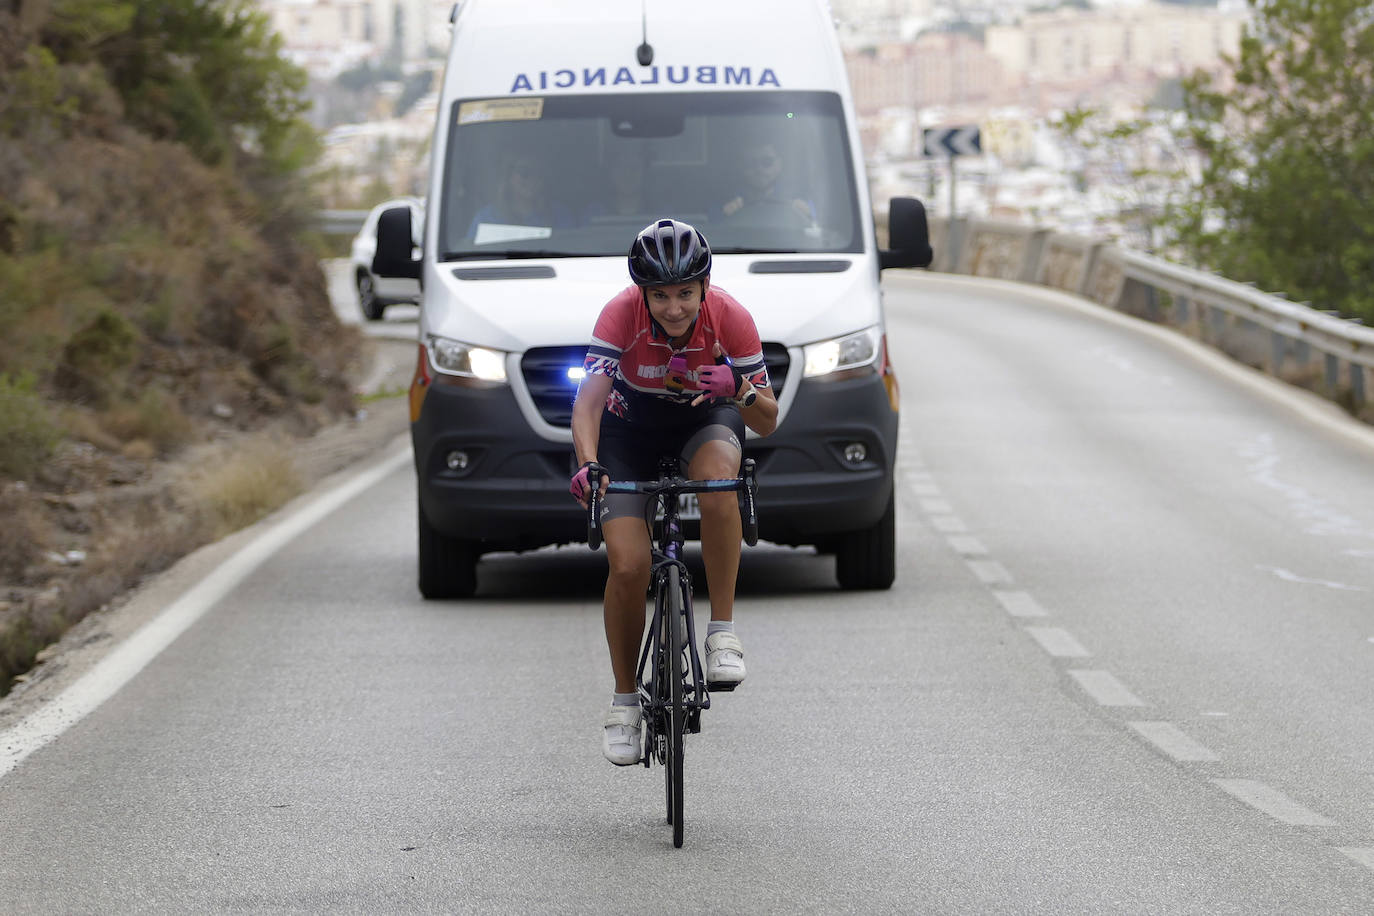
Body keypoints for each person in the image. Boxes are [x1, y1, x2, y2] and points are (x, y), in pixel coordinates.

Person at [569, 218, 778, 766]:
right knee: (630, 564)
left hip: (703, 420)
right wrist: (589, 465)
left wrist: (741, 388)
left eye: (685, 293)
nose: (675, 307)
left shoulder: (729, 317)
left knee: (718, 484)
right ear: (643, 292)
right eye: (660, 295)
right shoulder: (620, 314)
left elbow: (769, 421)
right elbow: (588, 403)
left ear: (704, 287)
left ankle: (722, 633)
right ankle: (623, 702)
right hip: (625, 432)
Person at [467, 152, 574, 239]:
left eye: (539, 172)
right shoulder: (486, 218)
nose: (533, 178)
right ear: (508, 176)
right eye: (524, 172)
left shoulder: (560, 215)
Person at [719, 139, 816, 228]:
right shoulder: (725, 198)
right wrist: (723, 215)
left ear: (779, 164)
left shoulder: (799, 196)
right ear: (742, 167)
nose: (759, 168)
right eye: (751, 163)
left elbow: (819, 228)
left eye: (767, 162)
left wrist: (808, 215)